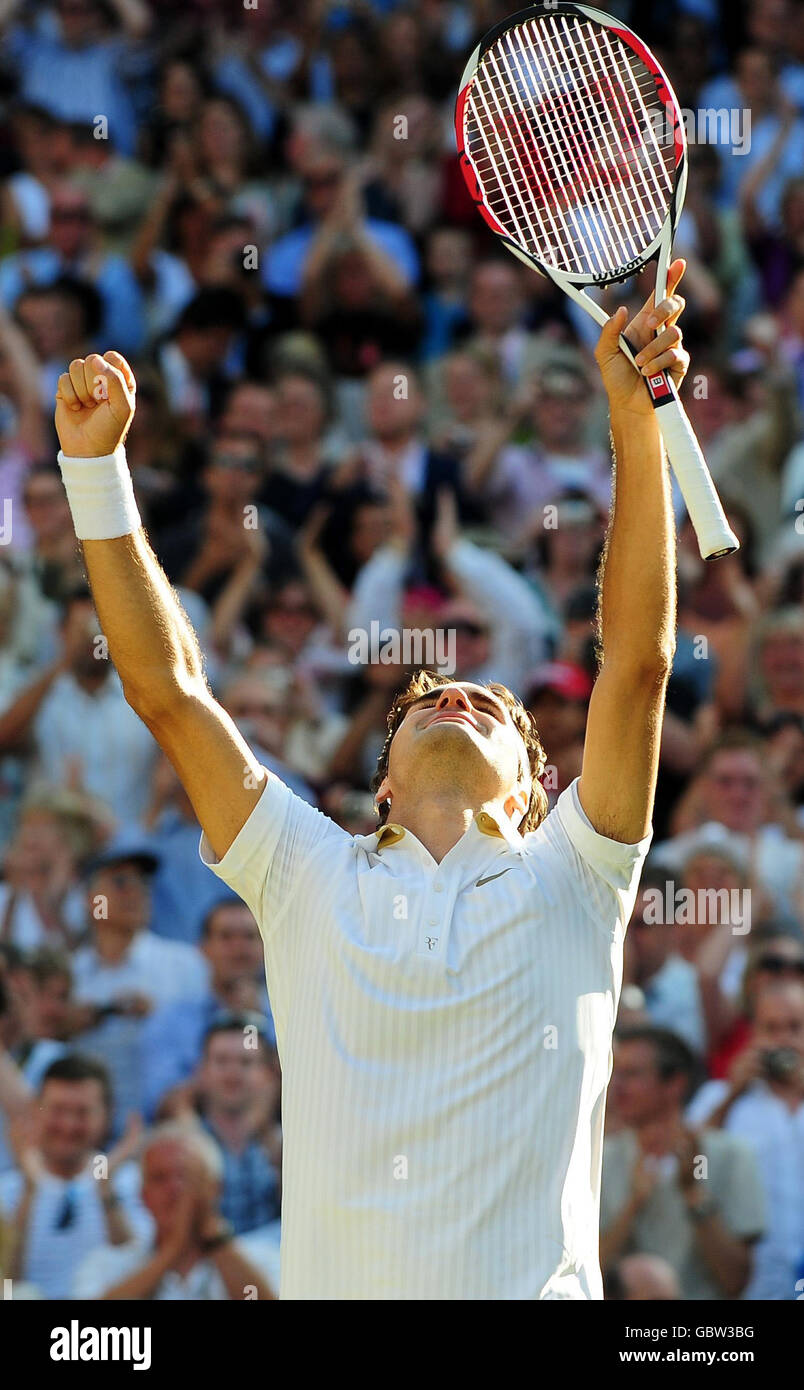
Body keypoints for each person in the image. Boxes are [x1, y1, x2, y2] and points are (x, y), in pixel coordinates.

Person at [54, 261, 687, 1299]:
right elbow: (169, 690)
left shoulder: (581, 871)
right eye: (426, 702)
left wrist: (636, 422)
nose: (455, 700)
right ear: (380, 788)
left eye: (491, 705)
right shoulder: (306, 870)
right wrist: (96, 474)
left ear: (538, 793)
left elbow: (638, 666)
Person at [601, 1026, 765, 1300]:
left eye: (632, 1074)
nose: (617, 1085)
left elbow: (736, 1280)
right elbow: (590, 1269)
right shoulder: (601, 1160)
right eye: (614, 1073)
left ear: (675, 1083)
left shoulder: (732, 1155)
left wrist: (693, 1194)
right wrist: (633, 1204)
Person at [686, 978, 804, 1300]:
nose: (783, 1041)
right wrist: (732, 1095)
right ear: (754, 1034)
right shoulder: (719, 1096)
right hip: (748, 1286)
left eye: (795, 1028)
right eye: (772, 1029)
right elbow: (689, 1164)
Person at [0, 1053, 148, 1299]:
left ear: (106, 1114)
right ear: (37, 1110)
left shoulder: (129, 1180)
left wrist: (105, 1189)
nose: (68, 1125)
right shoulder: (9, 1189)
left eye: (82, 1112)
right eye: (58, 1110)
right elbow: (7, 1284)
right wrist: (30, 1190)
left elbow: (139, 1273)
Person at [72, 1121, 276, 1299]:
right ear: (143, 1195)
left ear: (215, 1188)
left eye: (187, 1176)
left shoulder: (261, 1259)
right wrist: (172, 1251)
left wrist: (215, 1235)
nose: (175, 1188)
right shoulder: (107, 1265)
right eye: (160, 1178)